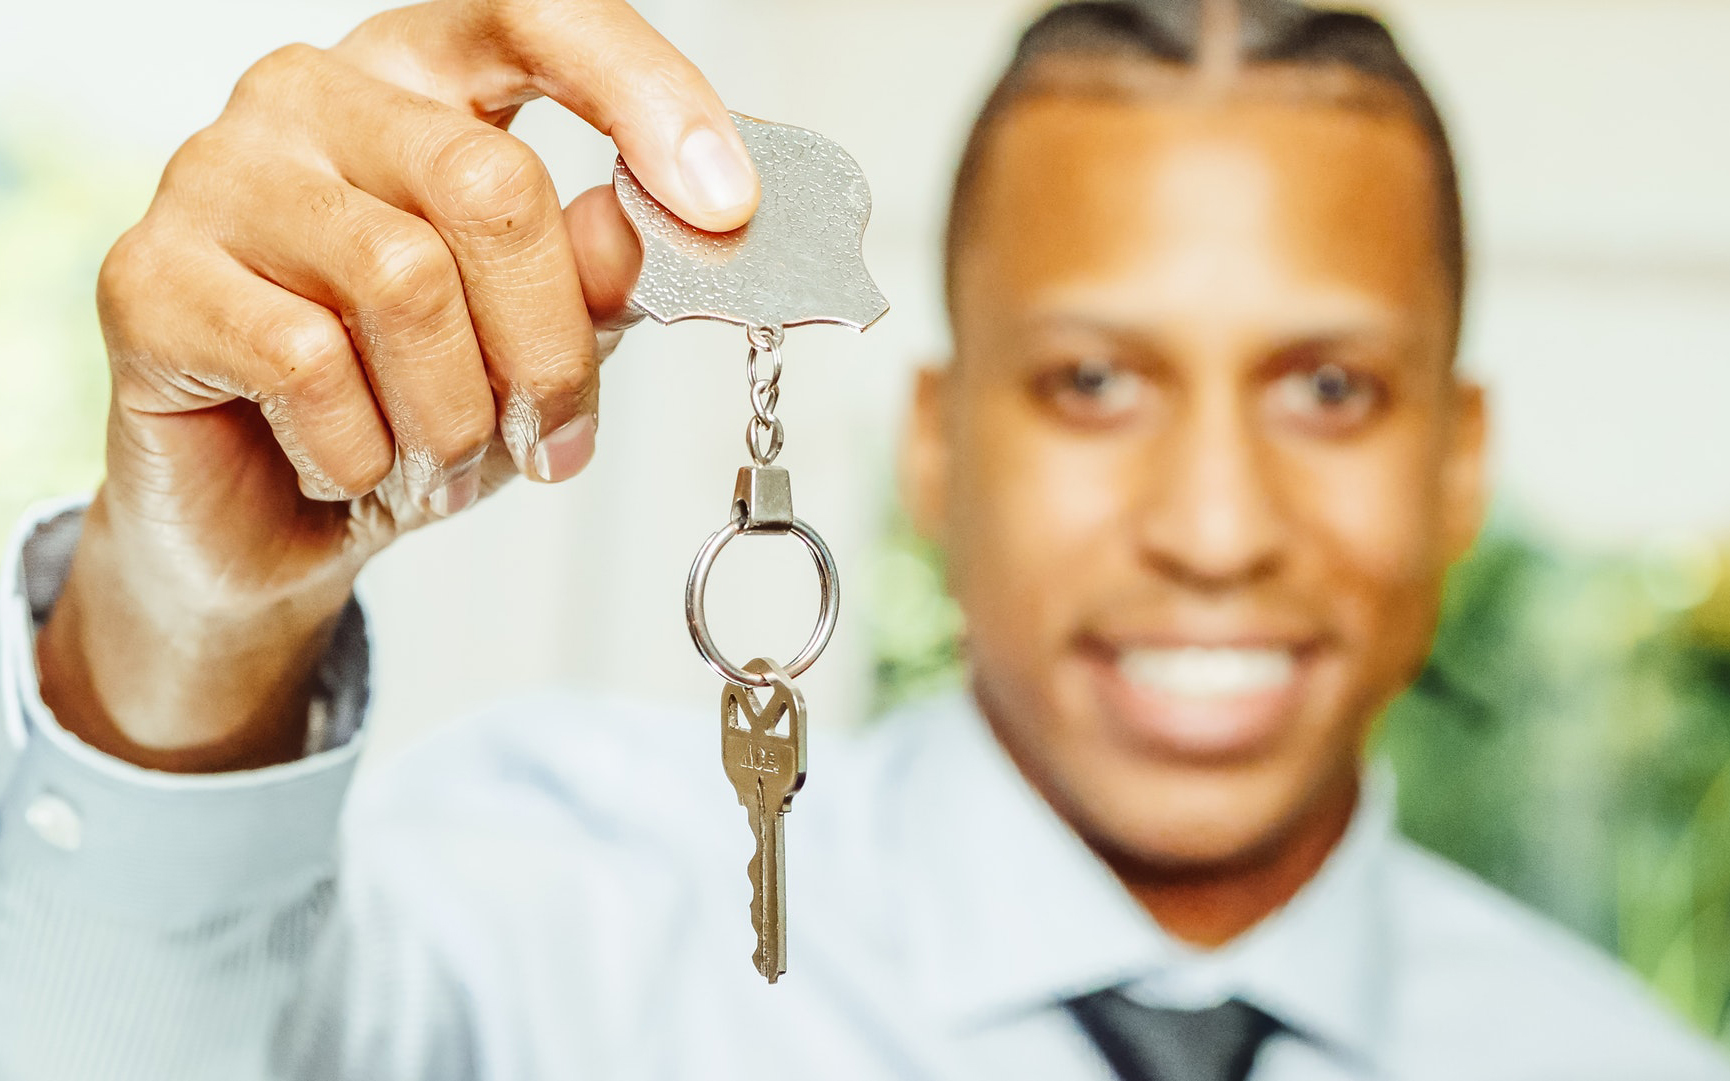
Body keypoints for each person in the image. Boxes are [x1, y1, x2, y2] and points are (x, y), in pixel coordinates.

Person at [1, 0, 1723, 1077]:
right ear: (934, 448)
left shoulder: (1623, 1061)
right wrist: (183, 634)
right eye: (1095, 379)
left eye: (1331, 388)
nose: (1213, 529)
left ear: (1456, 461)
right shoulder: (546, 909)